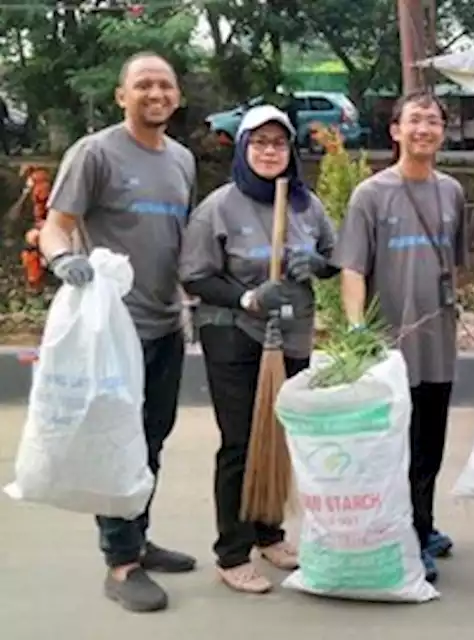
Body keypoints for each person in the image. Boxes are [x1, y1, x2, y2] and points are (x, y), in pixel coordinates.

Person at [38, 52, 197, 613]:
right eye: (143, 84)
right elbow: (55, 228)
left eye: (165, 85)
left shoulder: (181, 159)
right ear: (121, 96)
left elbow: (180, 242)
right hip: (112, 330)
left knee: (152, 439)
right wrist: (62, 262)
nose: (155, 93)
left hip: (164, 323)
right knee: (117, 440)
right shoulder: (96, 152)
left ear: (176, 97)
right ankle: (120, 562)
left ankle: (139, 536)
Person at [178, 106, 336, 594]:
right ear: (244, 149)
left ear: (290, 152)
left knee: (280, 437)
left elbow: (335, 256)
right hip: (234, 335)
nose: (270, 152)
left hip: (291, 334)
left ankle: (270, 534)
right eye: (259, 143)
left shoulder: (306, 206)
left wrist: (319, 266)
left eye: (279, 143)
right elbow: (195, 275)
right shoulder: (219, 207)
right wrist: (245, 297)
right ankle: (232, 551)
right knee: (242, 441)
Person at [334, 91, 465, 584]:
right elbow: (352, 268)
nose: (424, 129)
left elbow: (453, 262)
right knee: (397, 445)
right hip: (389, 345)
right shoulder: (371, 194)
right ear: (395, 131)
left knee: (430, 441)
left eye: (433, 121)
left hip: (438, 339)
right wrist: (357, 331)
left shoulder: (451, 191)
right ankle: (404, 533)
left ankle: (422, 524)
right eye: (415, 121)